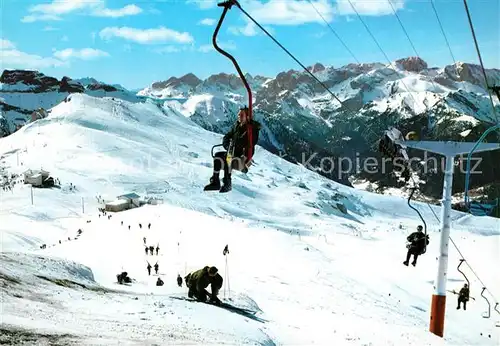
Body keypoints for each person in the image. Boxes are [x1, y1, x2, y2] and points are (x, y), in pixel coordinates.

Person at [204, 107, 261, 193]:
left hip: (243, 156)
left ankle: (227, 182)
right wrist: (227, 145)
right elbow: (227, 136)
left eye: (241, 115)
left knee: (228, 157)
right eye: (238, 115)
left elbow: (250, 142)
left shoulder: (252, 129)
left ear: (248, 117)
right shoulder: (237, 126)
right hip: (233, 152)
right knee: (218, 155)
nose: (239, 117)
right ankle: (215, 182)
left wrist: (235, 144)